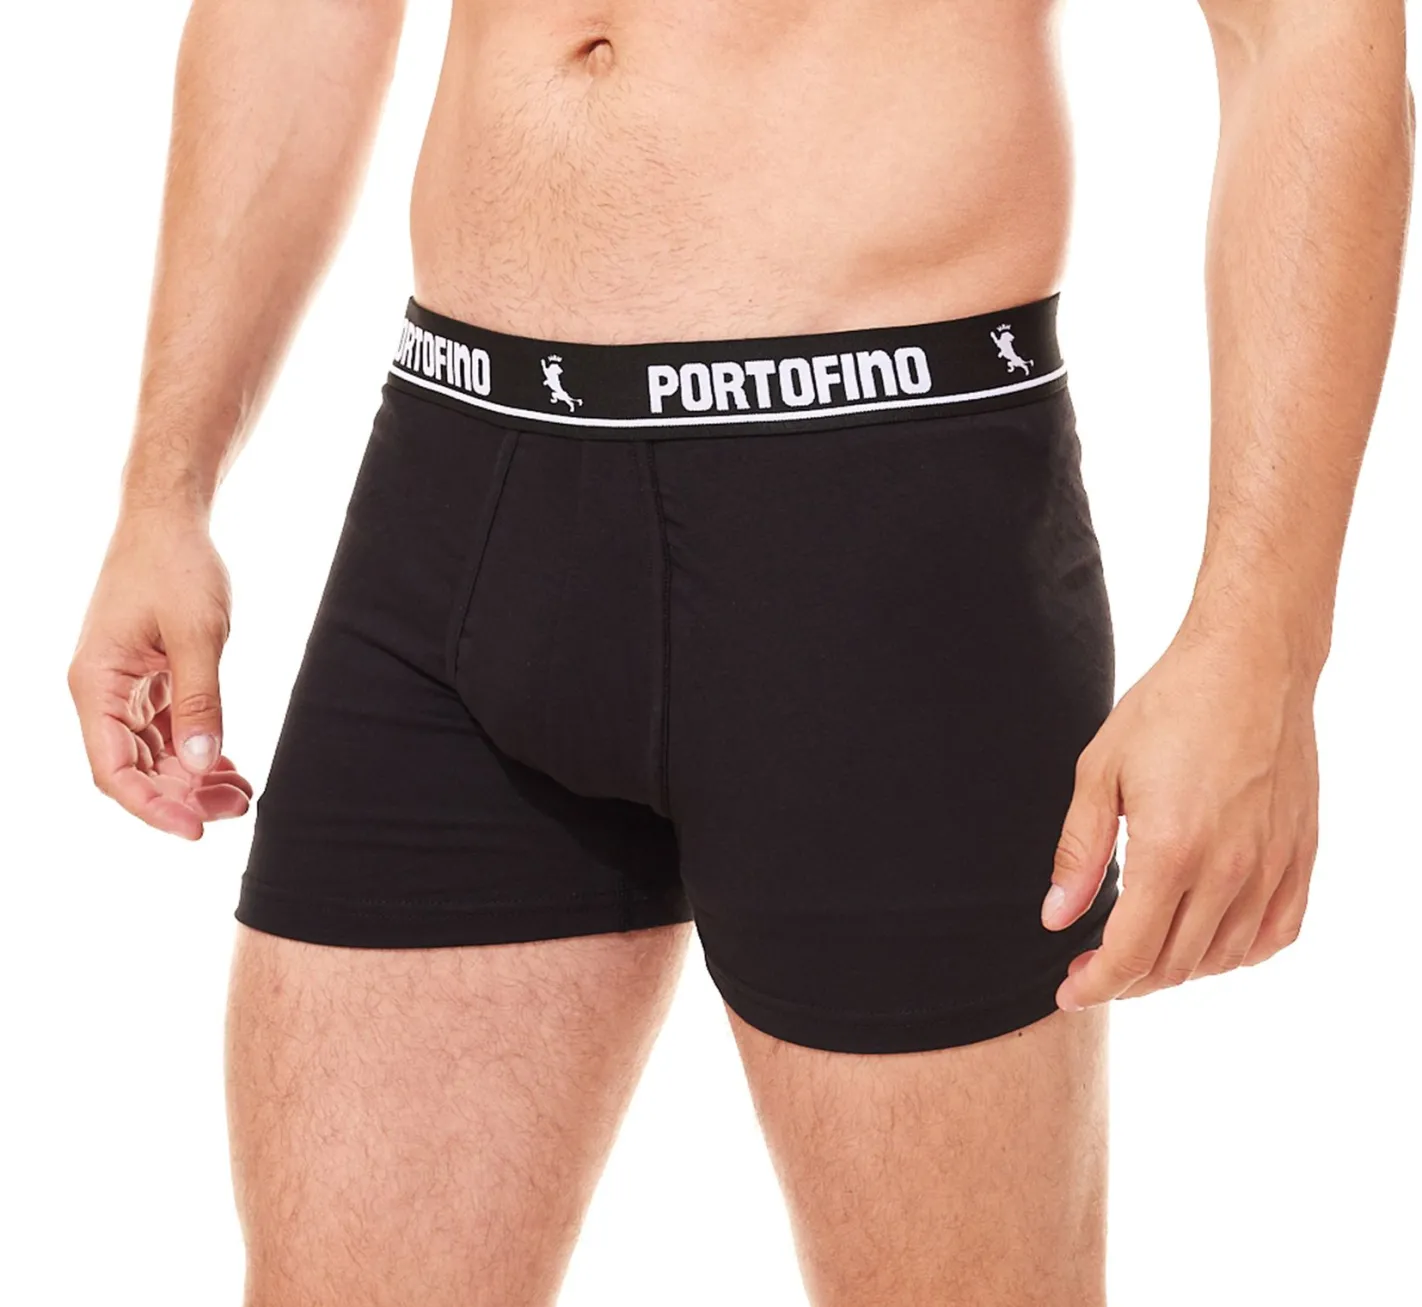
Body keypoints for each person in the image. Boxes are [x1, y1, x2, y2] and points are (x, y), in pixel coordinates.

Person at [67, 1, 1412, 1303]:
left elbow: (1302, 25)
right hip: (455, 496)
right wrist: (165, 493)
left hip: (881, 531)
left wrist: (1262, 640)